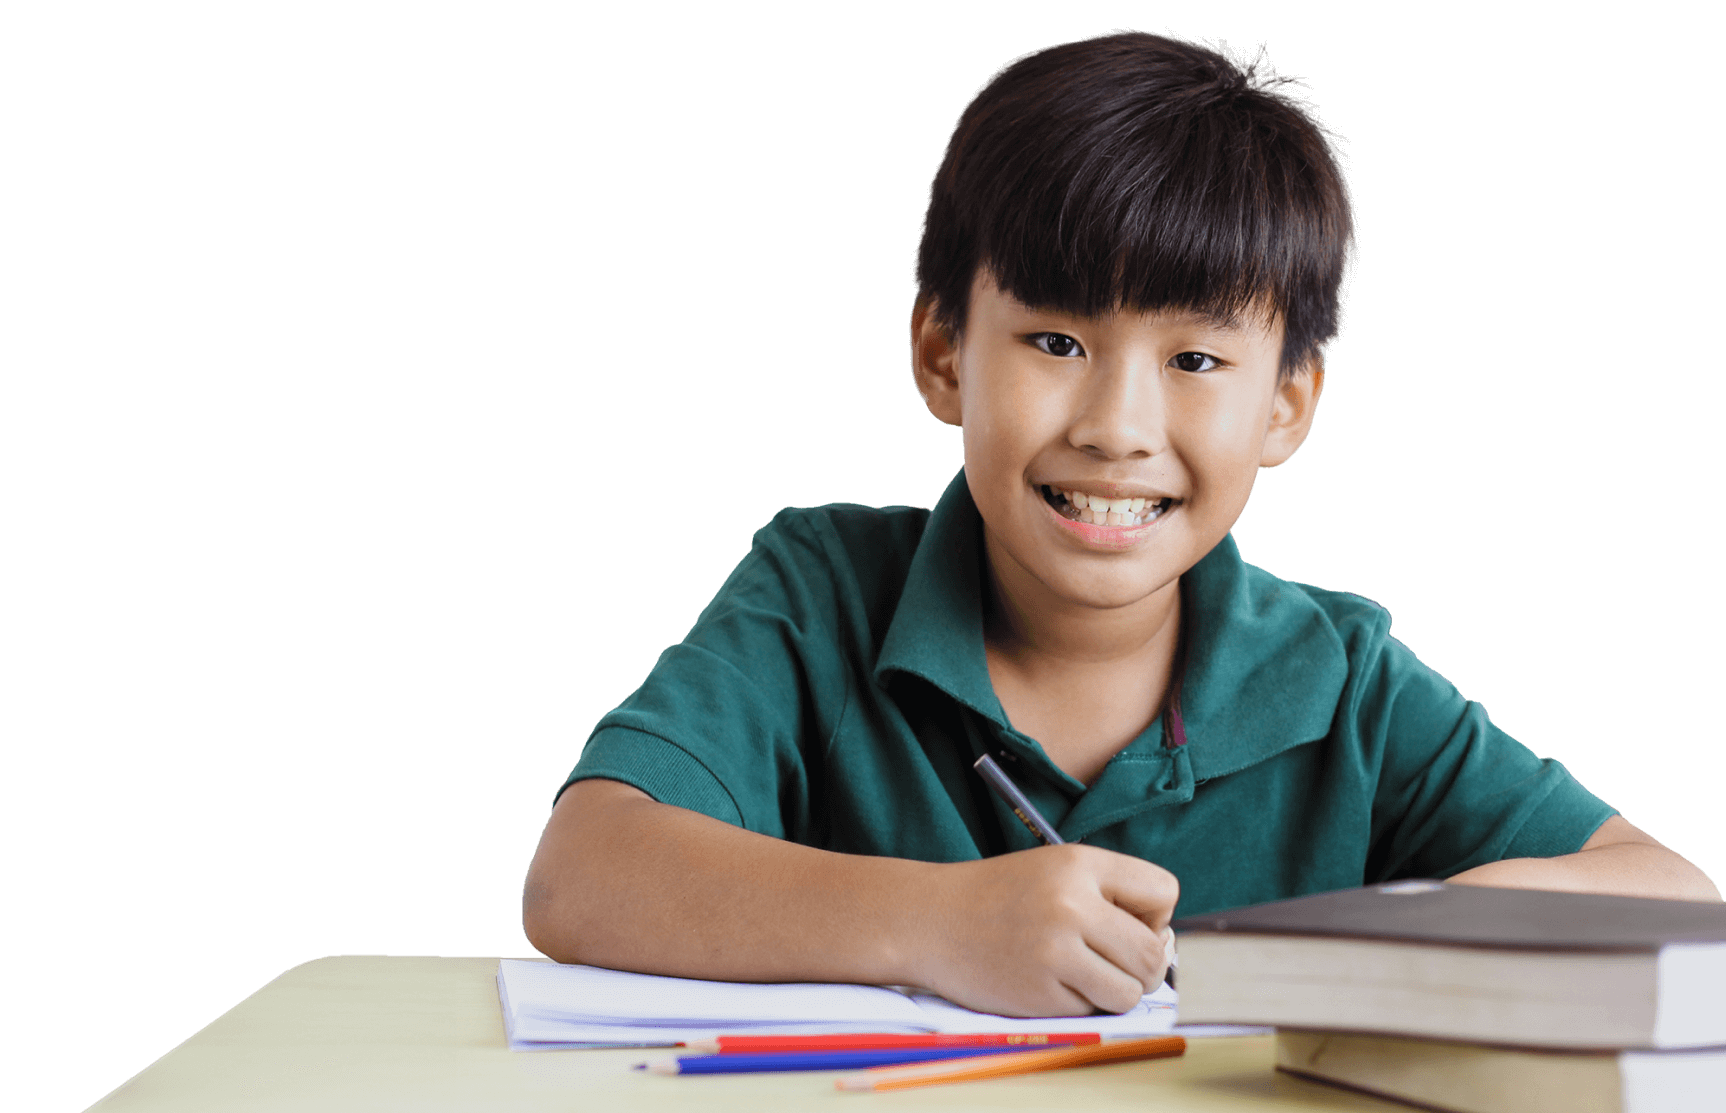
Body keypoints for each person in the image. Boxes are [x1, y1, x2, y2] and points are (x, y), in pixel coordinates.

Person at [522, 32, 1718, 1019]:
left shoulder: (1340, 676)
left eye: (1196, 358)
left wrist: (1391, 939)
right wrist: (938, 923)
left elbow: (1672, 896)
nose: (1116, 426)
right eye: (1056, 343)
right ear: (943, 356)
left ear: (1286, 407)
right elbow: (582, 875)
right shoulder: (823, 586)